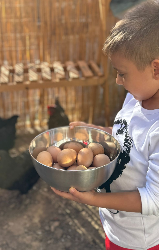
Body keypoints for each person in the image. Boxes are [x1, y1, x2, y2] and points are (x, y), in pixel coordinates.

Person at [51, 0, 159, 249]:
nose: (119, 81)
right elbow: (128, 136)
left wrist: (94, 199)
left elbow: (153, 199)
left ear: (156, 68)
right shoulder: (136, 95)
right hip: (116, 223)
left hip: (139, 241)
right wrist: (101, 132)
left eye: (122, 73)